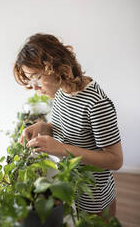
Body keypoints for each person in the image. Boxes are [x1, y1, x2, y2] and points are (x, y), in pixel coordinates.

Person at [13, 33, 123, 219]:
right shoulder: (62, 92)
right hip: (72, 190)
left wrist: (63, 149)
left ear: (54, 67)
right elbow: (64, 127)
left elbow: (115, 160)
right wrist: (43, 127)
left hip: (94, 198)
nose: (34, 87)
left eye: (36, 78)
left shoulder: (96, 103)